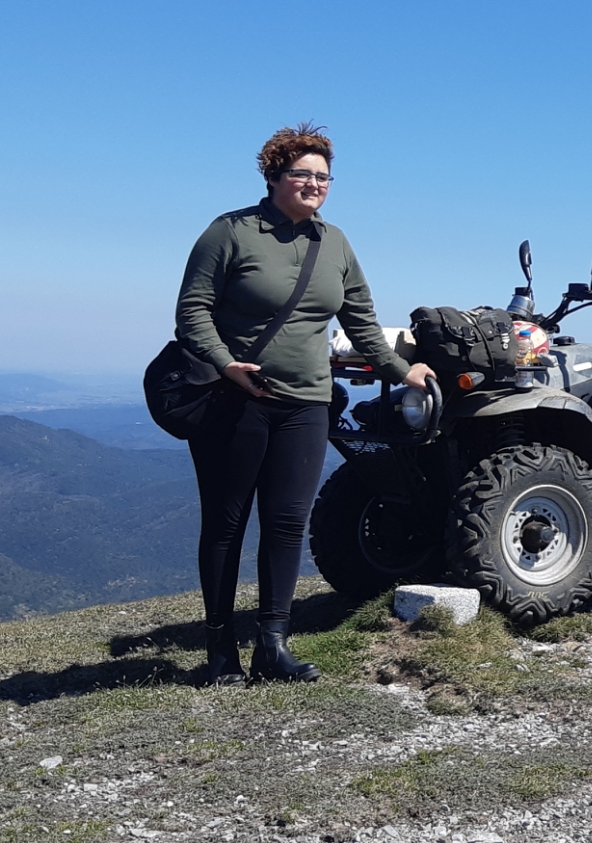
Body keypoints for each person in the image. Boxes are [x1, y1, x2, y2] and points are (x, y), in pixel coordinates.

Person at [175, 124, 435, 685]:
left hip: (307, 403)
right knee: (226, 524)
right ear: (274, 176)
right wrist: (226, 364)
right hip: (234, 400)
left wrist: (403, 371)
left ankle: (272, 646)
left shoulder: (334, 243)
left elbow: (362, 322)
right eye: (303, 174)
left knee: (287, 523)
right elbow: (192, 312)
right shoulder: (230, 232)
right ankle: (220, 651)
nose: (315, 184)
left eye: (324, 176)